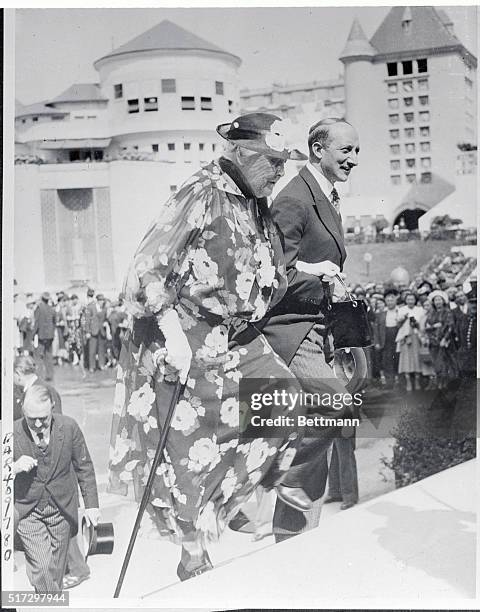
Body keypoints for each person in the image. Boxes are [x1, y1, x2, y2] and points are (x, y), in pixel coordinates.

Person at [108, 112, 310, 580]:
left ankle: (219, 510)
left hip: (237, 336)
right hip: (187, 335)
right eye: (273, 162)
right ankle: (192, 552)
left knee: (286, 402)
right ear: (241, 153)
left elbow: (256, 270)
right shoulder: (202, 192)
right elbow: (146, 267)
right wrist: (173, 335)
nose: (280, 172)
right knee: (188, 452)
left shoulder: (254, 199)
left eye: (284, 163)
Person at [259, 118, 360, 538]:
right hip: (291, 328)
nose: (354, 160)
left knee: (316, 428)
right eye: (346, 151)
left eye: (356, 151)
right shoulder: (295, 198)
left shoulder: (326, 195)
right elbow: (272, 273)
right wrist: (322, 280)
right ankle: (277, 477)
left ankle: (297, 537)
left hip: (320, 329)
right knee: (335, 404)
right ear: (318, 150)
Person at [13, 385, 100, 593]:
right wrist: (13, 467)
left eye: (43, 417)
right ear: (24, 412)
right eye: (31, 418)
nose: (38, 423)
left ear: (52, 408)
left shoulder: (69, 427)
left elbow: (84, 467)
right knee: (42, 569)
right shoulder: (11, 432)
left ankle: (50, 602)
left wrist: (92, 506)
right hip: (29, 512)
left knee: (56, 574)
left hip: (61, 510)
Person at [425, 290, 459, 389]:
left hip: (445, 341)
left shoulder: (448, 312)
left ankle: (449, 383)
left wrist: (445, 339)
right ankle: (440, 382)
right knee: (437, 362)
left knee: (447, 361)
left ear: (443, 301)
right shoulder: (431, 313)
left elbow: (450, 326)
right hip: (434, 342)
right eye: (436, 300)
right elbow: (427, 327)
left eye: (439, 300)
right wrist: (433, 330)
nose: (438, 302)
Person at [13, 355, 62, 421]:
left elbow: (57, 421)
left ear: (18, 373)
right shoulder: (21, 390)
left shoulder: (46, 390)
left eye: (12, 374)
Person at [395, 291, 424, 392]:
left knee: (417, 358)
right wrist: (403, 318)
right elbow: (398, 325)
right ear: (405, 300)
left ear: (415, 300)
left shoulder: (420, 310)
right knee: (406, 359)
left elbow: (422, 324)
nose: (410, 301)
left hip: (416, 336)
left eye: (412, 299)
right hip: (405, 337)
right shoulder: (401, 309)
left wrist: (415, 323)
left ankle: (417, 381)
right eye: (408, 299)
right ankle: (408, 382)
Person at [373, 289, 400, 389]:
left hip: (397, 338)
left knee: (397, 360)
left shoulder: (399, 312)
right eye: (388, 301)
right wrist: (377, 342)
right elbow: (376, 330)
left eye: (392, 300)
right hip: (386, 339)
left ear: (395, 301)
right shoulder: (381, 314)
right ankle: (389, 383)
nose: (390, 302)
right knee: (387, 361)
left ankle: (398, 382)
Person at [33, 292, 56, 381]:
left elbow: (36, 323)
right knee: (49, 356)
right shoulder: (52, 309)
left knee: (39, 356)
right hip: (50, 336)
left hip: (41, 336)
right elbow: (54, 322)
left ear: (42, 299)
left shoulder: (39, 309)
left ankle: (39, 376)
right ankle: (50, 375)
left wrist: (33, 335)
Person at [84, 293, 108, 372]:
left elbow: (105, 319)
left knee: (101, 349)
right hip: (93, 331)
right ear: (97, 301)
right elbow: (87, 321)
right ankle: (92, 366)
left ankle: (101, 364)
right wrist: (87, 331)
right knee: (92, 350)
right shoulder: (91, 307)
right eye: (100, 300)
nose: (102, 302)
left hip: (101, 331)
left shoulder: (104, 309)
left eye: (103, 300)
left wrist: (105, 323)